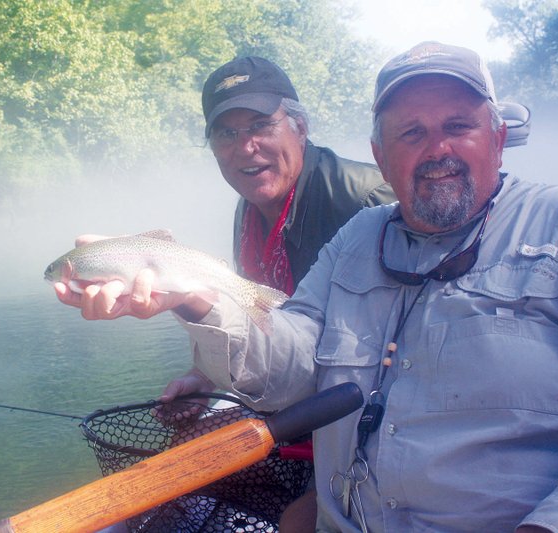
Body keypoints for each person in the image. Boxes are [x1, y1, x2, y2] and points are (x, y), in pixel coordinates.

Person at [55, 41, 558, 532]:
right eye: (409, 133)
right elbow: (292, 364)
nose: (437, 149)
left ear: (498, 138)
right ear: (380, 153)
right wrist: (195, 300)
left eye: (458, 126)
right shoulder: (352, 240)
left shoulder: (555, 225)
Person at [162, 55, 396, 531]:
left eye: (261, 125)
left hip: (365, 423)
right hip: (296, 406)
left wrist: (324, 492)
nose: (246, 148)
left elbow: (404, 357)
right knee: (181, 464)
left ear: (301, 127)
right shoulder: (248, 209)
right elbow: (259, 317)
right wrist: (205, 373)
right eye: (225, 133)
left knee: (295, 520)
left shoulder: (368, 202)